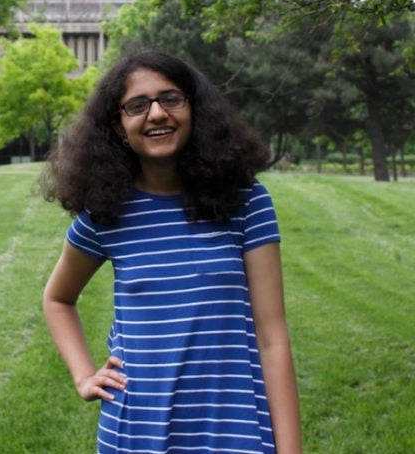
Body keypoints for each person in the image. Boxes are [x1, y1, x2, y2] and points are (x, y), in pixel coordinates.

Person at [41, 50, 302, 453]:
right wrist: (83, 376)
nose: (157, 114)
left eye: (171, 98)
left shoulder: (246, 202)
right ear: (118, 125)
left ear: (194, 109)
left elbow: (272, 339)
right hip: (137, 432)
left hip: (234, 429)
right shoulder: (105, 216)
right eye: (137, 106)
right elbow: (58, 299)